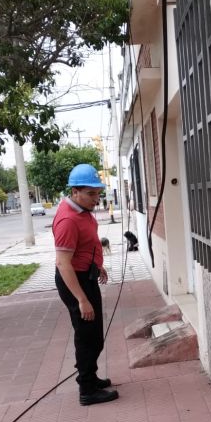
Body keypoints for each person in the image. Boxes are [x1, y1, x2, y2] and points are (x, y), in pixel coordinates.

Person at [53, 164, 118, 406]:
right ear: (75, 191)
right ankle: (87, 389)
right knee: (87, 335)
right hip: (75, 281)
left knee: (94, 334)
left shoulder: (82, 211)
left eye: (97, 193)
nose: (96, 199)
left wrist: (97, 264)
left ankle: (90, 375)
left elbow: (86, 244)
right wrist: (81, 299)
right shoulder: (68, 219)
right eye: (90, 194)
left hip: (86, 275)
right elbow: (63, 263)